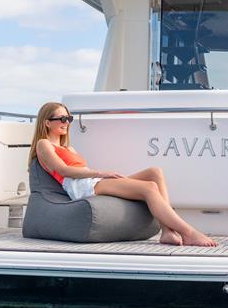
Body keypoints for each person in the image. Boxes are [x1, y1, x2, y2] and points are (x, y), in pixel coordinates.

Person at [28, 101, 216, 247]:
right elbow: (62, 170)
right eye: (61, 119)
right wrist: (102, 172)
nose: (66, 123)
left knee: (154, 173)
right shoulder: (44, 144)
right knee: (149, 188)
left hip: (92, 181)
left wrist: (100, 175)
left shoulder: (68, 147)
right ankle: (188, 232)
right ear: (47, 122)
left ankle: (167, 231)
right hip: (83, 186)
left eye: (68, 119)